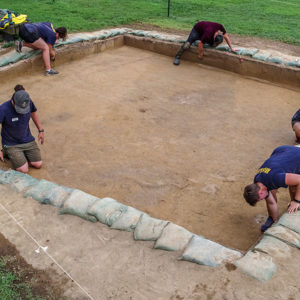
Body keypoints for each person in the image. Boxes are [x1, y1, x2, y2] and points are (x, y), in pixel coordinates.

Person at [243, 145, 300, 232]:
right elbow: (271, 202)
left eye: (259, 199)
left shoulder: (275, 178)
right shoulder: (258, 181)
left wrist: (296, 201)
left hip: (296, 156)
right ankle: (271, 218)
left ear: (260, 193)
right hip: (282, 151)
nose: (261, 200)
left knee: (294, 188)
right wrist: (275, 220)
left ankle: (296, 204)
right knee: (272, 192)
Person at [0, 85, 44, 173]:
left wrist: (41, 130)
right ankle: (5, 150)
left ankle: (18, 155)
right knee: (24, 170)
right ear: (13, 102)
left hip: (27, 139)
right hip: (11, 143)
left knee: (38, 164)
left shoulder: (28, 102)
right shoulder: (3, 109)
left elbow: (33, 112)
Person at [173, 21, 239, 65]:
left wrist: (231, 48)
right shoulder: (208, 34)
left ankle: (207, 41)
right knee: (187, 45)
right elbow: (200, 44)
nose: (216, 45)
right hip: (197, 30)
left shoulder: (220, 28)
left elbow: (226, 37)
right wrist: (200, 54)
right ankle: (177, 57)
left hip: (205, 31)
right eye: (216, 42)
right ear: (214, 36)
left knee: (211, 44)